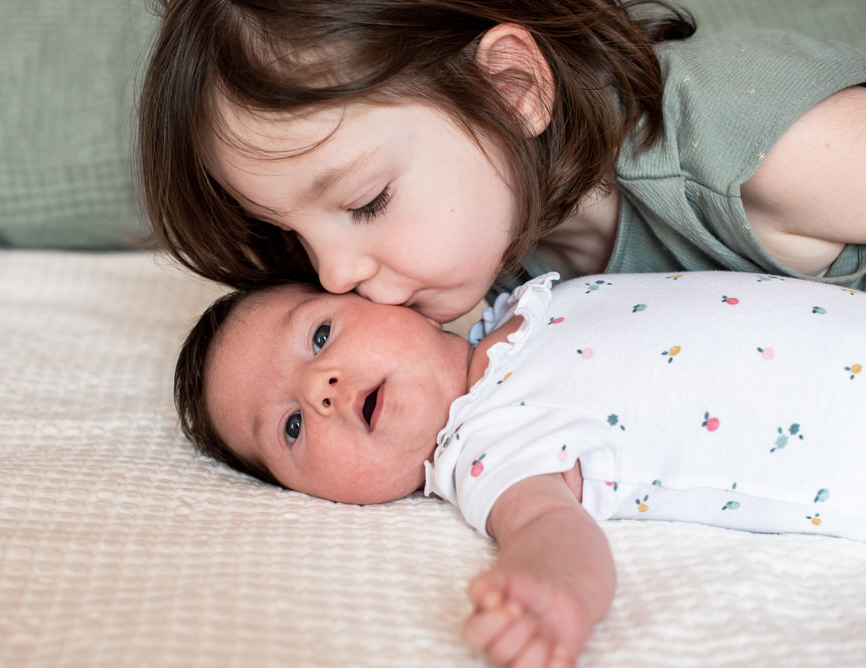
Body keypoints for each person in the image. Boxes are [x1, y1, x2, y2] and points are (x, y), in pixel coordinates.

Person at [177, 270, 866, 668]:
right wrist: (551, 588)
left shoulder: (518, 303)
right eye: (290, 427)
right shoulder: (486, 449)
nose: (318, 387)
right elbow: (548, 527)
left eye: (320, 335)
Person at [138, 0, 866, 324]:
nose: (333, 275)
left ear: (511, 90)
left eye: (367, 203)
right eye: (291, 233)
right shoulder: (510, 257)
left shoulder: (748, 143)